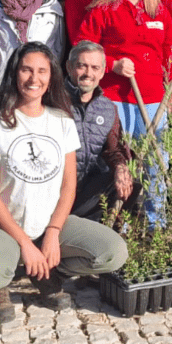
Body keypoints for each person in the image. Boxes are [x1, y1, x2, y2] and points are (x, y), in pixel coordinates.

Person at [0, 42, 128, 324]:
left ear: (51, 76)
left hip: (50, 224)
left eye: (42, 71)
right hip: (3, 225)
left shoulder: (61, 120)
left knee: (112, 253)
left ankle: (47, 273)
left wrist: (52, 232)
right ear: (14, 73)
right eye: (27, 70)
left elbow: (68, 187)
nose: (34, 79)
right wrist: (25, 244)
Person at [77, 0, 172, 229]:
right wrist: (111, 65)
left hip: (154, 102)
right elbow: (83, 49)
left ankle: (155, 225)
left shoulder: (158, 10)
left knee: (155, 163)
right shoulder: (103, 9)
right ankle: (115, 226)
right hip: (115, 99)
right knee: (118, 161)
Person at [64, 40, 137, 221]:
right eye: (82, 66)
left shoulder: (107, 108)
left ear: (103, 71)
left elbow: (114, 150)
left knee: (131, 184)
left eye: (95, 68)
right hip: (54, 191)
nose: (88, 73)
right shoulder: (52, 101)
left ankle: (112, 236)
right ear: (69, 67)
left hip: (86, 188)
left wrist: (121, 168)